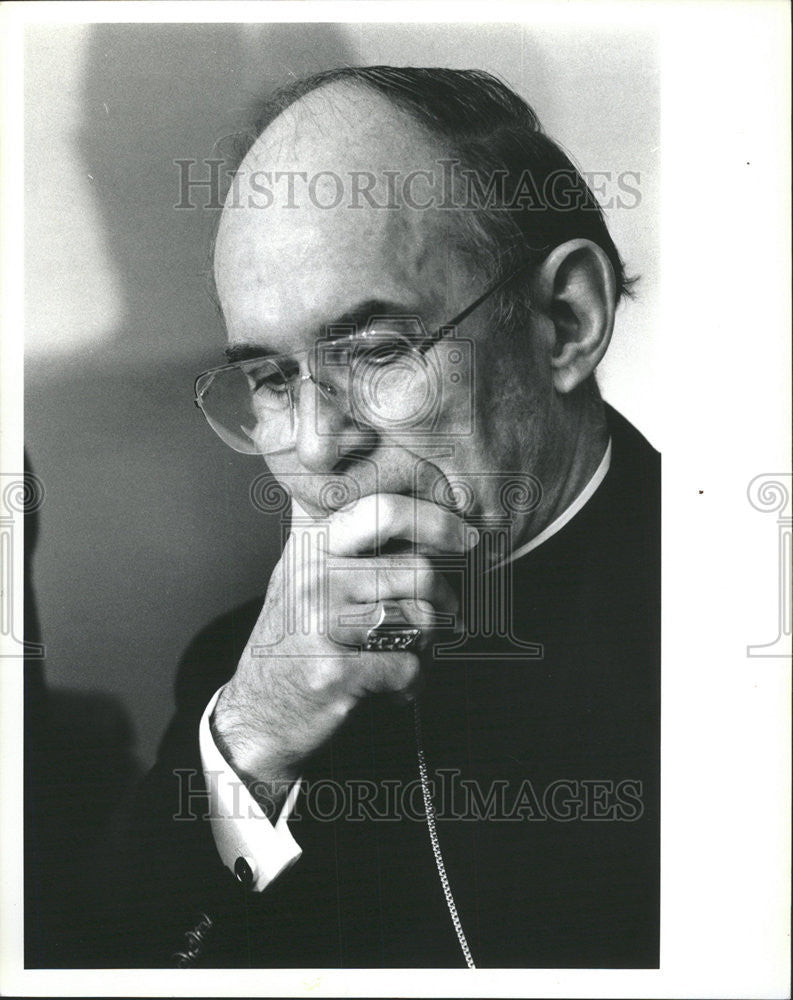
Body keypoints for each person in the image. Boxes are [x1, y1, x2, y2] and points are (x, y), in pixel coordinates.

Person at [96, 66, 660, 969]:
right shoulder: (240, 672)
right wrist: (254, 738)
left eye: (375, 352)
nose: (316, 451)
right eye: (272, 381)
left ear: (564, 320)